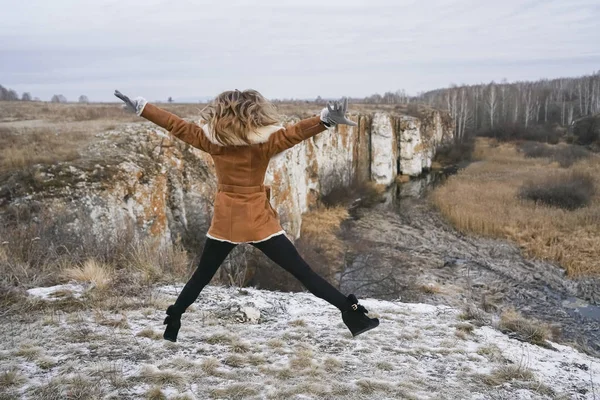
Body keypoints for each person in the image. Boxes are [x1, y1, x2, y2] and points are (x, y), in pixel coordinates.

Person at [114, 89, 379, 342]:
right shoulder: (264, 143)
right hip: (258, 222)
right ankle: (353, 315)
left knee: (201, 276)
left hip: (226, 221)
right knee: (303, 272)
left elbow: (178, 126)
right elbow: (294, 133)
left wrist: (143, 108)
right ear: (254, 113)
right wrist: (325, 120)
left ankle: (174, 319)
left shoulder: (212, 141)